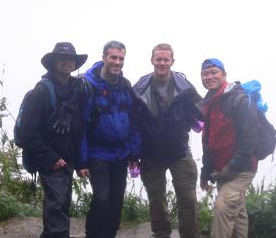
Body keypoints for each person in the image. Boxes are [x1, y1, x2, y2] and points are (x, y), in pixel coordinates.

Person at [133, 43, 202, 238]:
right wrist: (133, 153)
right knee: (156, 198)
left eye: (166, 59)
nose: (162, 63)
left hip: (179, 151)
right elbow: (132, 123)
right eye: (158, 59)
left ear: (172, 61)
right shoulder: (139, 88)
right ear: (152, 60)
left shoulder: (186, 88)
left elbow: (204, 111)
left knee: (187, 198)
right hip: (150, 153)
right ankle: (161, 234)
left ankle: (189, 235)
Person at [21, 42, 88, 238]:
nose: (67, 62)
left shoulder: (75, 90)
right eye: (62, 58)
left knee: (58, 206)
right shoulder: (43, 91)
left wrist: (80, 161)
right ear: (54, 62)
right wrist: (50, 158)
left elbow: (78, 129)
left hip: (68, 160)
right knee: (57, 207)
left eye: (71, 59)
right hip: (51, 161)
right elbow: (27, 133)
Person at [78, 40, 141, 238]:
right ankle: (93, 234)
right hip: (97, 152)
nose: (117, 62)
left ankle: (109, 234)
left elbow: (134, 121)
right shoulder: (88, 85)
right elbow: (80, 126)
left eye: (121, 58)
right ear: (104, 57)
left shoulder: (125, 86)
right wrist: (82, 160)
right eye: (113, 57)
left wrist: (134, 152)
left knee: (116, 199)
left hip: (120, 153)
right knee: (102, 197)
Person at [199, 58, 258, 238]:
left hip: (241, 168)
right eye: (205, 74)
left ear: (224, 75)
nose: (209, 77)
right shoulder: (210, 101)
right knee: (237, 214)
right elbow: (209, 139)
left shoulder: (238, 99)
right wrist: (206, 170)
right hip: (222, 169)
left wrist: (231, 168)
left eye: (214, 72)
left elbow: (249, 139)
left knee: (223, 208)